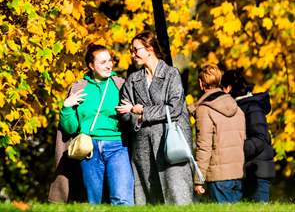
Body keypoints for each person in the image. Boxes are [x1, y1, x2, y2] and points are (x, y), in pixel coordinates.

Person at [116, 31, 193, 204]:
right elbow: (125, 113)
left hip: (171, 144)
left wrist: (142, 111)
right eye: (131, 50)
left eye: (136, 50)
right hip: (143, 147)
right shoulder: (133, 80)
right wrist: (138, 118)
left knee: (177, 195)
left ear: (149, 49)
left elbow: (174, 109)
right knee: (151, 199)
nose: (132, 54)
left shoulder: (171, 74)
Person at [51, 43, 134, 205]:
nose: (109, 65)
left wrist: (131, 110)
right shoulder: (79, 87)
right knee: (94, 202)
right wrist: (67, 108)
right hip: (88, 148)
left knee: (122, 198)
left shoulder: (121, 85)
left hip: (118, 146)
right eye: (103, 62)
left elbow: (131, 117)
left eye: (110, 60)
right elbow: (71, 128)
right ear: (91, 65)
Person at [191, 64, 245, 203]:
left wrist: (198, 179)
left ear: (201, 83)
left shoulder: (204, 110)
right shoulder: (236, 107)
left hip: (218, 176)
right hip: (237, 174)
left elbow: (204, 147)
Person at [221, 69, 275, 202]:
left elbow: (260, 138)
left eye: (222, 88)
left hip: (257, 171)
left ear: (228, 88)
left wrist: (237, 149)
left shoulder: (252, 107)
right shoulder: (242, 106)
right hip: (249, 169)